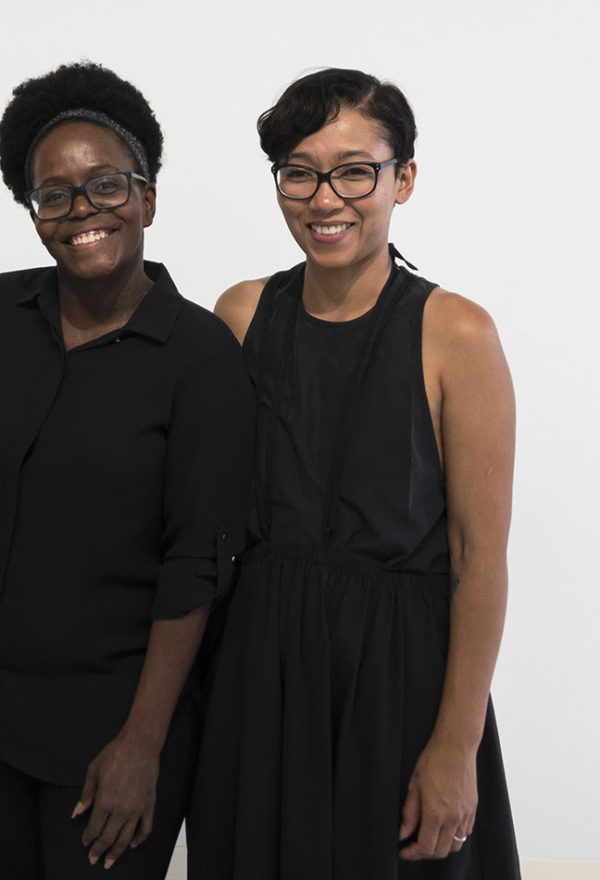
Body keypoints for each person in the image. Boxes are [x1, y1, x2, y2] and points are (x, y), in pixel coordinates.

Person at [187, 68, 520, 879]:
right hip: (260, 670)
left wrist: (456, 744)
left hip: (400, 681)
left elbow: (480, 559)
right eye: (298, 172)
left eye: (354, 170)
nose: (324, 197)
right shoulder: (240, 314)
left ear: (403, 177)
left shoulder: (457, 333)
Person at [0, 62, 254, 879]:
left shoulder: (199, 356)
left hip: (116, 730)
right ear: (34, 213)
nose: (83, 211)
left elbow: (199, 562)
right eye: (56, 194)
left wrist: (142, 745)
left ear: (148, 198)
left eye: (107, 185)